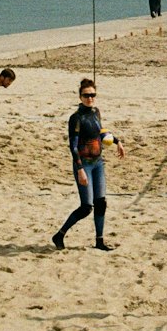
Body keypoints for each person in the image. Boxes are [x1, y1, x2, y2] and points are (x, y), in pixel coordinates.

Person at [52, 79, 124, 251]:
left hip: (98, 163)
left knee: (101, 203)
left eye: (92, 95)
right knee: (86, 207)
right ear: (80, 96)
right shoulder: (76, 118)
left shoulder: (96, 112)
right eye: (86, 95)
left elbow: (99, 132)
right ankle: (59, 235)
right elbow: (73, 146)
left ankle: (99, 241)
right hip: (84, 164)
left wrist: (117, 141)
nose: (90, 98)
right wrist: (80, 170)